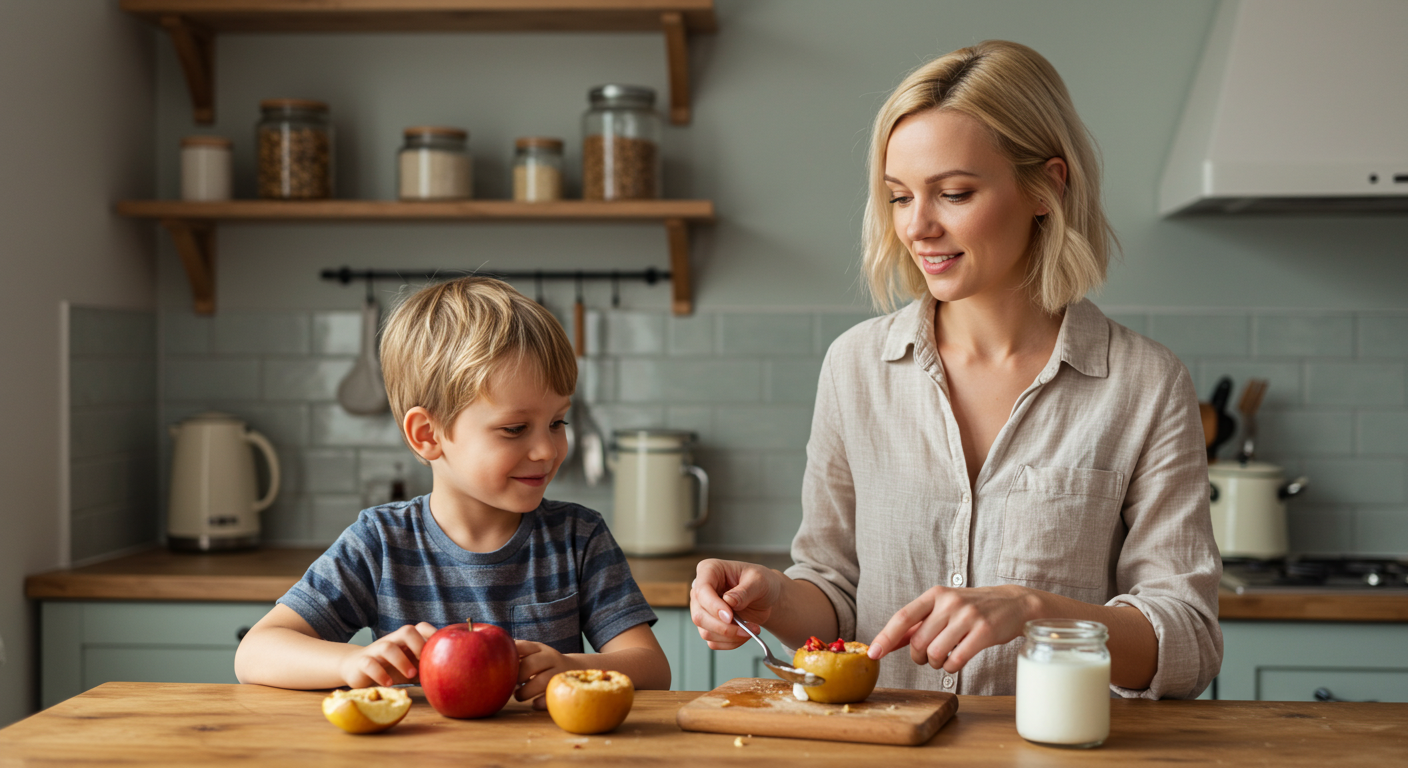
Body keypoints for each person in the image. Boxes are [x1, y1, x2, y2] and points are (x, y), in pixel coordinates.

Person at [689, 40, 1220, 699]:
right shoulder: (856, 368)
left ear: (1046, 187)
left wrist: (1033, 611)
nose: (918, 227)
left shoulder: (1143, 385)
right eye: (899, 197)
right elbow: (838, 594)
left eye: (954, 193)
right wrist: (774, 598)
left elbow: (1190, 642)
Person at [235, 277, 670, 703]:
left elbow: (653, 668)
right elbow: (256, 652)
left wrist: (574, 668)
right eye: (515, 428)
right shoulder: (380, 542)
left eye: (557, 422)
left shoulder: (579, 537)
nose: (548, 449)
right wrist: (352, 661)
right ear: (428, 434)